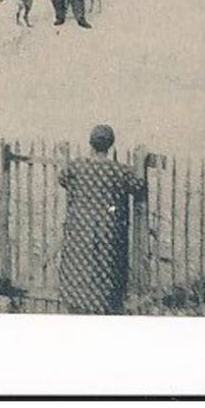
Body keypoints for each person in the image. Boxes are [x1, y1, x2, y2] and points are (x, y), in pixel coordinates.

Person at [57, 124, 145, 315]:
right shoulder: (119, 171)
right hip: (108, 233)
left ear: (91, 143)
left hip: (80, 231)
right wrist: (140, 159)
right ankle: (102, 309)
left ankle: (78, 305)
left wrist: (63, 155)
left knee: (79, 267)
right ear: (110, 146)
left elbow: (63, 177)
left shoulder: (78, 166)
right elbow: (138, 185)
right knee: (105, 270)